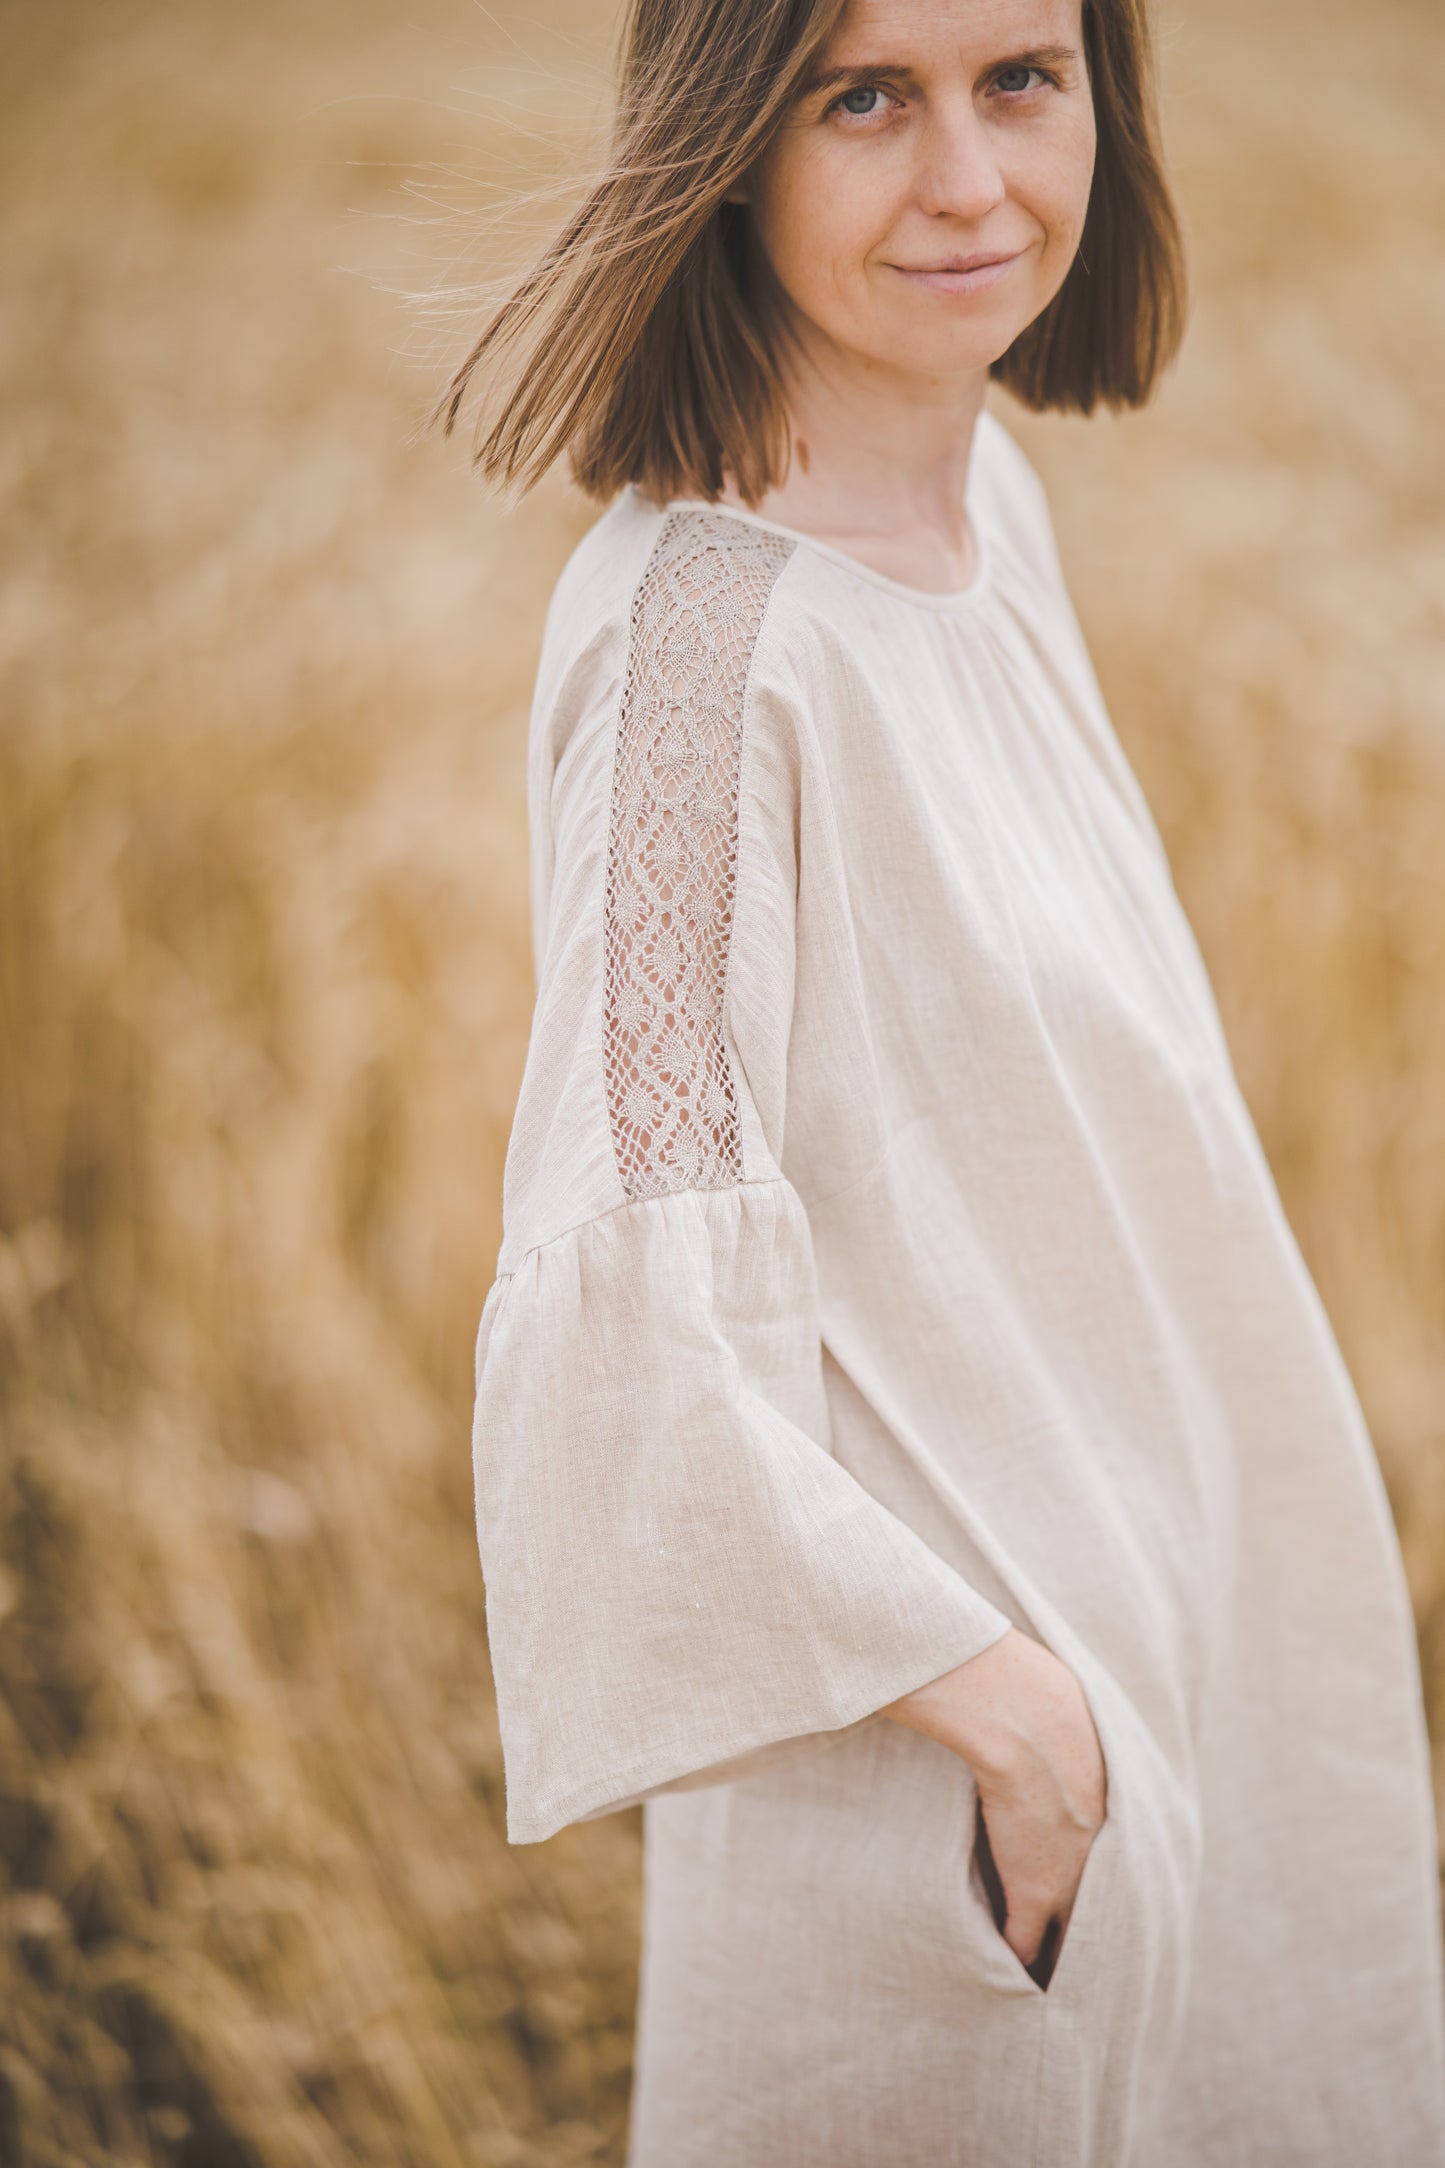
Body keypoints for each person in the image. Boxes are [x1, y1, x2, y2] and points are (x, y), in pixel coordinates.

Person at [443, 0, 1445, 2159]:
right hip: (946, 1800)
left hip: (1195, 1683)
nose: (972, 179)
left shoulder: (1001, 500)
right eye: (866, 96)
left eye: (1022, 78)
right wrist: (1019, 1730)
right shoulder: (701, 652)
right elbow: (631, 1361)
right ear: (727, 136)